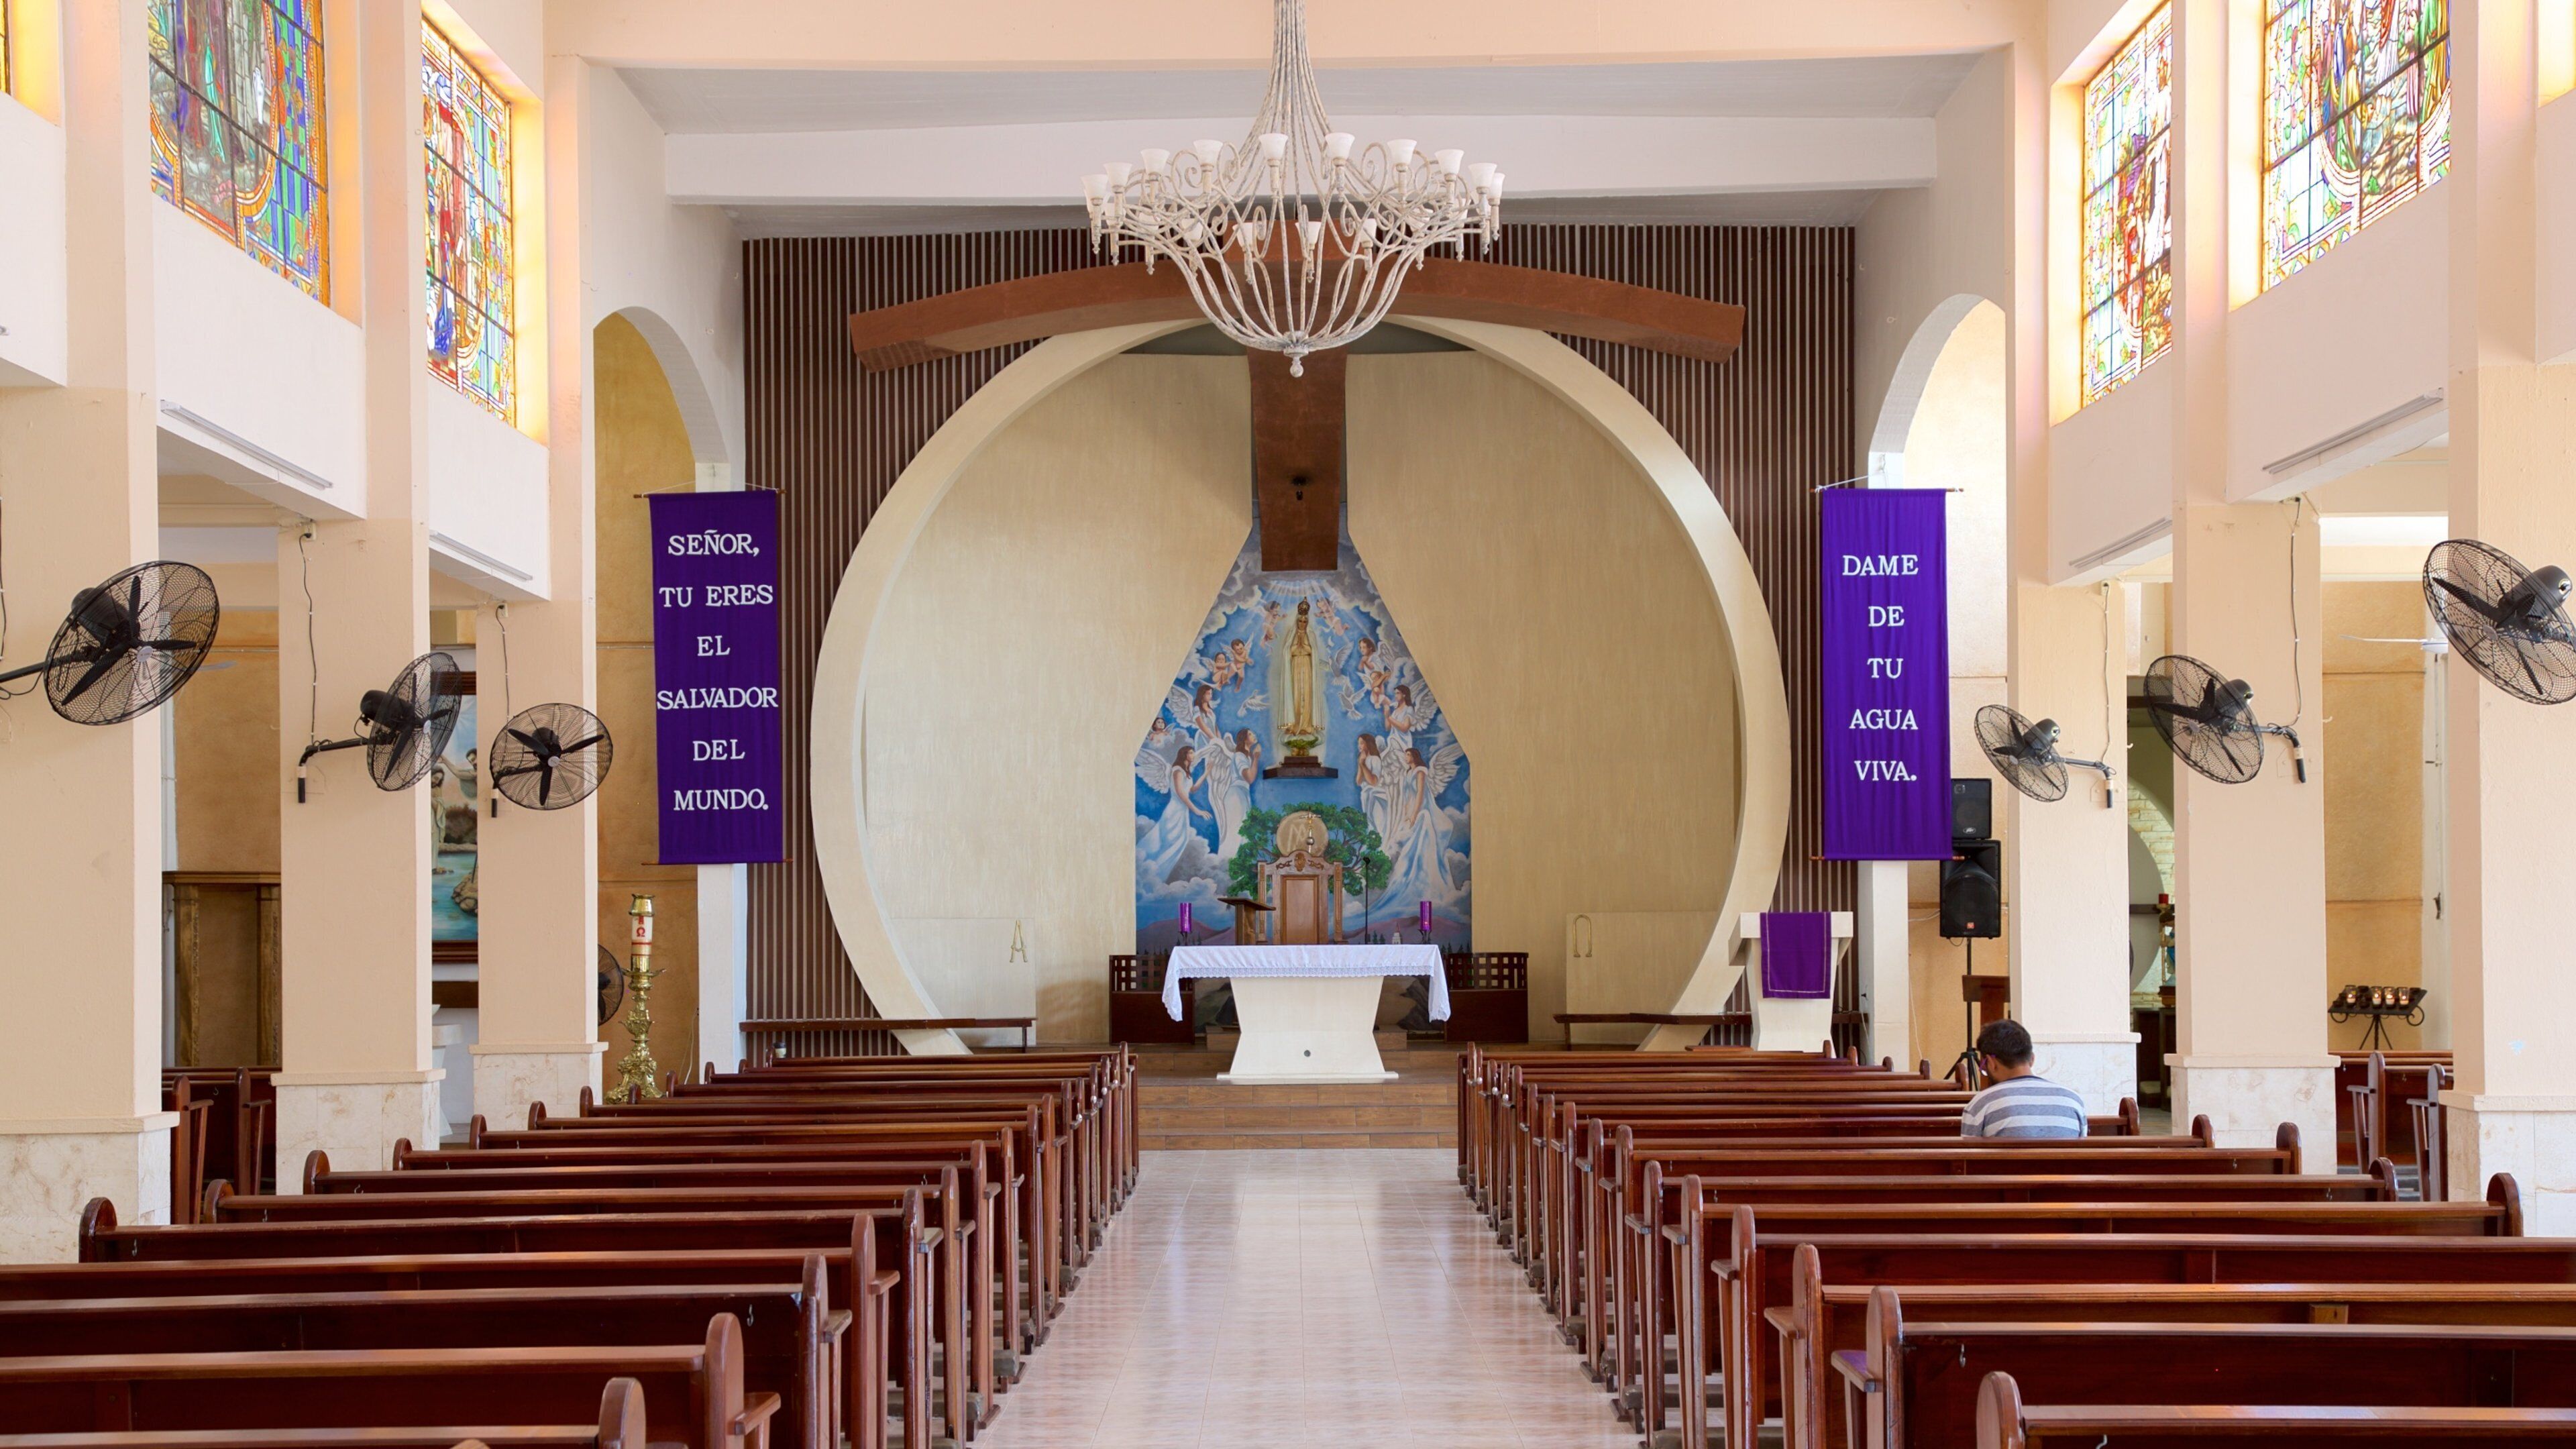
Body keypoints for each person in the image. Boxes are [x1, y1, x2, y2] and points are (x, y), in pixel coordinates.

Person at [1958, 1019, 2088, 1139]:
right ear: (2032, 1059)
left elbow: (1969, 1157)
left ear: (1991, 1063)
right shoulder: (2072, 1100)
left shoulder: (1982, 1104)